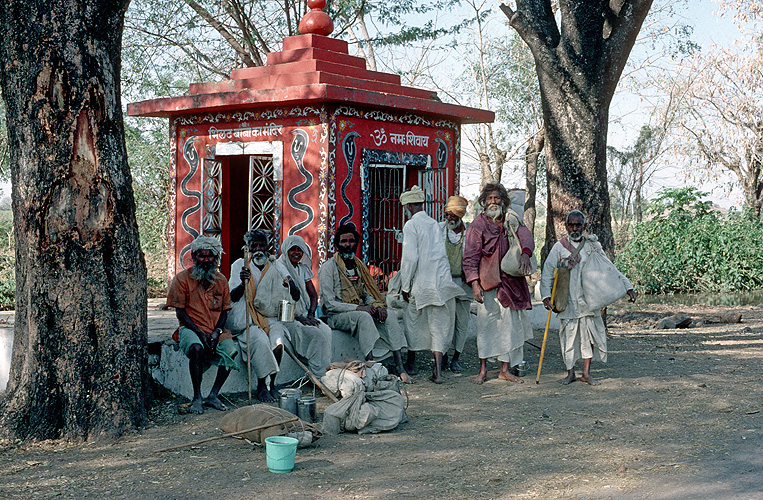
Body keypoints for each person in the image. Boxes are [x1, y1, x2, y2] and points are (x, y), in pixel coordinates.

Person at [540, 210, 637, 385]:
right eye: (571, 225)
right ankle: (570, 373)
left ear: (584, 226)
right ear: (566, 226)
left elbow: (609, 268)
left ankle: (586, 373)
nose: (575, 228)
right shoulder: (559, 247)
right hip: (567, 301)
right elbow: (547, 271)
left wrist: (627, 286)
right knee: (568, 338)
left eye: (578, 225)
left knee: (589, 337)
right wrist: (546, 295)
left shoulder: (592, 246)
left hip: (588, 301)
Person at [318, 223, 411, 383]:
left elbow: (366, 293)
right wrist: (361, 308)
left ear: (356, 243)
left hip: (357, 310)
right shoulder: (328, 268)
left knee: (388, 315)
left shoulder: (358, 265)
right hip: (336, 316)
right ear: (337, 244)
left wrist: (376, 307)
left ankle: (400, 367)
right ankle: (372, 365)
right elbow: (330, 304)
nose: (348, 245)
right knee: (364, 317)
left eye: (351, 241)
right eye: (344, 241)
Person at [462, 183, 534, 385]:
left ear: (503, 200)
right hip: (487, 284)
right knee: (486, 327)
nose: (493, 202)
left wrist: (526, 254)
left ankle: (504, 369)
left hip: (510, 283)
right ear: (483, 202)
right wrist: (475, 284)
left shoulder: (510, 219)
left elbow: (525, 236)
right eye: (490, 198)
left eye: (497, 198)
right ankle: (483, 370)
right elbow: (470, 258)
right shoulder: (477, 225)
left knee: (508, 328)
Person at [398, 185, 465, 384]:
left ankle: (411, 363)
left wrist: (405, 286)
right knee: (438, 326)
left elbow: (410, 259)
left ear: (409, 206)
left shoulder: (411, 225)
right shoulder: (435, 224)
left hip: (422, 283)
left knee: (413, 322)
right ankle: (437, 371)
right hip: (442, 283)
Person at [166, 236, 239, 414]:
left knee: (230, 350)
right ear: (194, 257)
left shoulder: (221, 280)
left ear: (216, 258)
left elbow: (224, 311)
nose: (206, 260)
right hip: (190, 328)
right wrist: (200, 333)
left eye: (210, 256)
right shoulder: (181, 279)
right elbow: (180, 313)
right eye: (201, 256)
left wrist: (216, 333)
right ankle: (197, 397)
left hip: (216, 330)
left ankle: (213, 395)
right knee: (197, 349)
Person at [226, 229, 293, 403]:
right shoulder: (239, 265)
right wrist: (242, 283)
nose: (258, 249)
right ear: (247, 248)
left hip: (271, 317)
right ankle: (262, 386)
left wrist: (289, 283)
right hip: (248, 319)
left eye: (261, 245)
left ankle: (273, 383)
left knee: (278, 343)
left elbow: (293, 290)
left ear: (267, 247)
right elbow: (232, 297)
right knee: (261, 341)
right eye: (253, 246)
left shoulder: (276, 264)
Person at [276, 235, 333, 381]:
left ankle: (324, 371)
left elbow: (313, 295)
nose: (296, 253)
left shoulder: (303, 269)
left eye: (299, 250)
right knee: (315, 335)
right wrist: (298, 317)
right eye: (292, 249)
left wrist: (311, 314)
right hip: (286, 317)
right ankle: (317, 376)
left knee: (325, 330)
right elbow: (280, 300)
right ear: (285, 251)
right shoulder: (278, 268)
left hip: (303, 314)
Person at [439, 195, 473, 373]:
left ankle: (456, 357)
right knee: (446, 321)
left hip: (464, 284)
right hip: (445, 284)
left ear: (460, 215)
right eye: (448, 215)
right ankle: (443, 356)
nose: (450, 218)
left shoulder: (470, 233)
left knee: (462, 322)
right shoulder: (439, 230)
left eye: (453, 215)